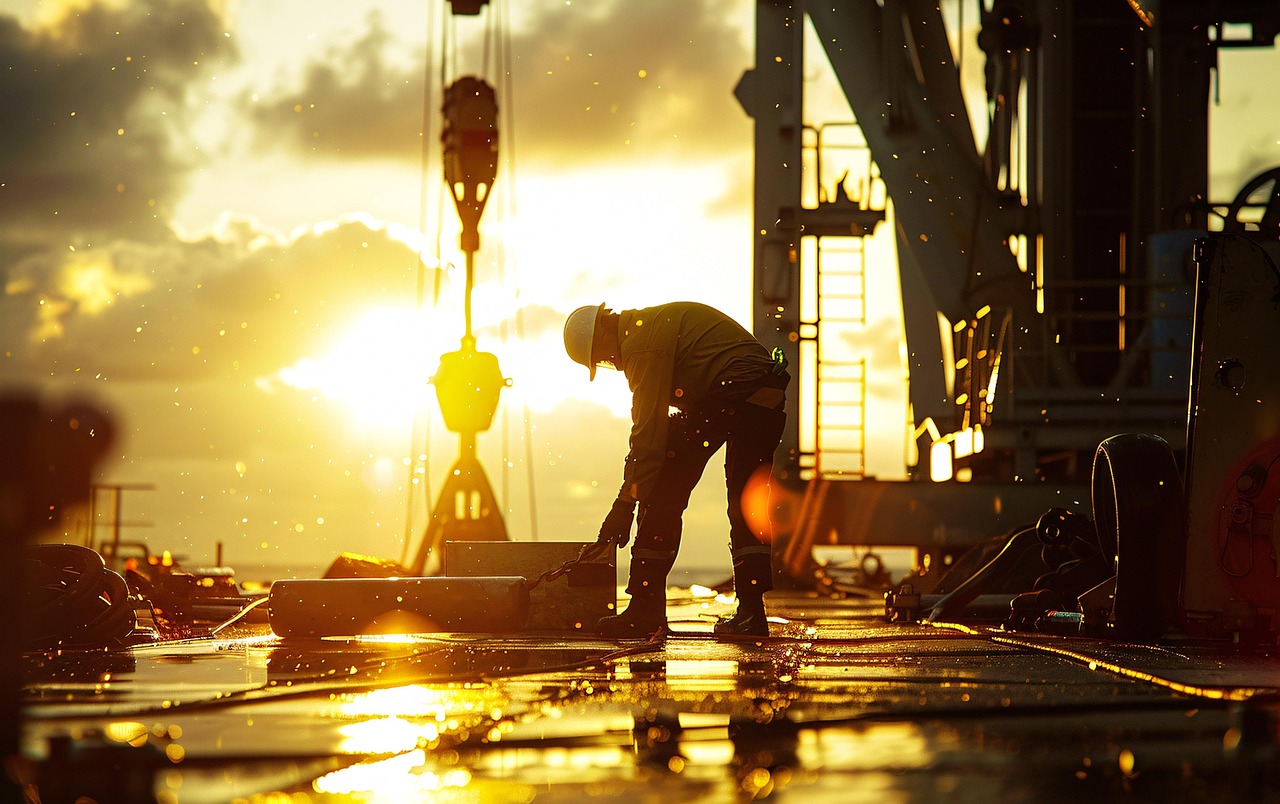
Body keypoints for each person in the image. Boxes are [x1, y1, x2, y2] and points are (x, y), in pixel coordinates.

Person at [563, 301, 790, 638]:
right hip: (765, 395)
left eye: (604, 358)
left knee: (662, 486)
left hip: (733, 391)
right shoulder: (651, 328)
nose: (615, 365)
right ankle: (751, 614)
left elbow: (648, 436)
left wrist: (625, 504)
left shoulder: (640, 342)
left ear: (605, 333)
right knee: (747, 504)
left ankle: (645, 609)